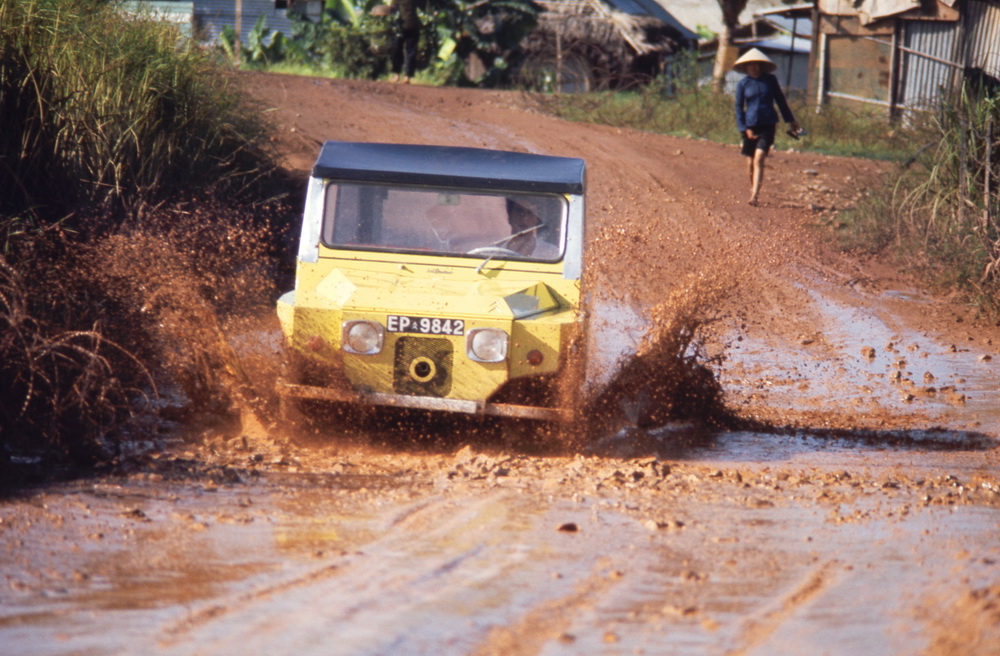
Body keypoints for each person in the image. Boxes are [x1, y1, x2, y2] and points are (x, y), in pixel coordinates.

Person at [734, 48, 799, 207]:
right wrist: (744, 128)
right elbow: (738, 107)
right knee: (750, 163)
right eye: (750, 65)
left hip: (768, 124)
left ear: (761, 66)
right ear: (746, 67)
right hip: (750, 126)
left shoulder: (770, 80)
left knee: (759, 158)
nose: (753, 68)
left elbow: (781, 101)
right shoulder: (743, 84)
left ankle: (755, 195)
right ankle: (752, 188)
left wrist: (790, 120)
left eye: (756, 65)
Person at [389, 0, 421, 84]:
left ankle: (407, 76)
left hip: (413, 26)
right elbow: (393, 9)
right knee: (396, 50)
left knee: (411, 52)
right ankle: (396, 74)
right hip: (400, 27)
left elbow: (423, 7)